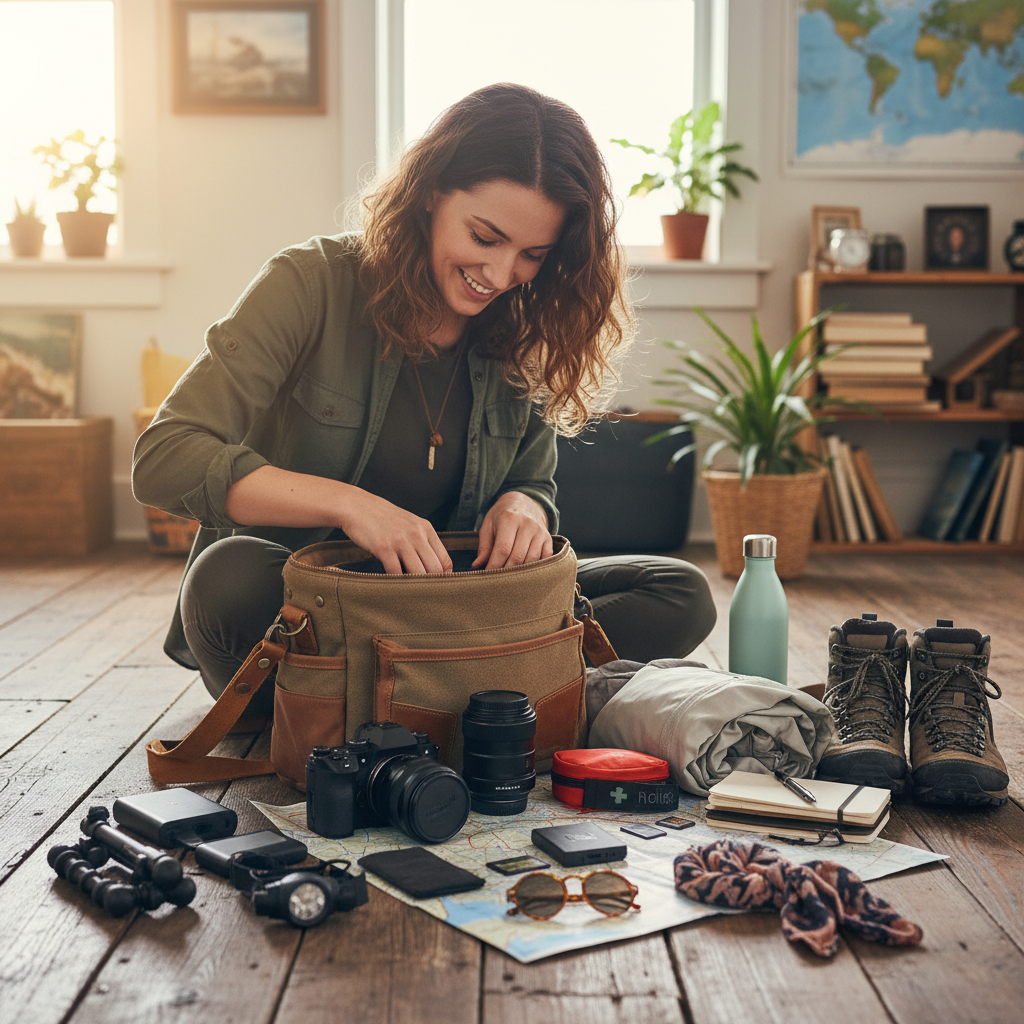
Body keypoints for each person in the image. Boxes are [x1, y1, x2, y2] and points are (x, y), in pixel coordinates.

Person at [133, 83, 716, 713]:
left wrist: (527, 506)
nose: (500, 274)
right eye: (485, 236)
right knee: (225, 579)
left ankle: (409, 705)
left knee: (679, 591)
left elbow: (534, 479)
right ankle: (483, 703)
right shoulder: (308, 285)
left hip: (453, 615)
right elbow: (164, 457)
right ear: (433, 191)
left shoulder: (524, 324)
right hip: (310, 622)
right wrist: (353, 507)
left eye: (532, 255)